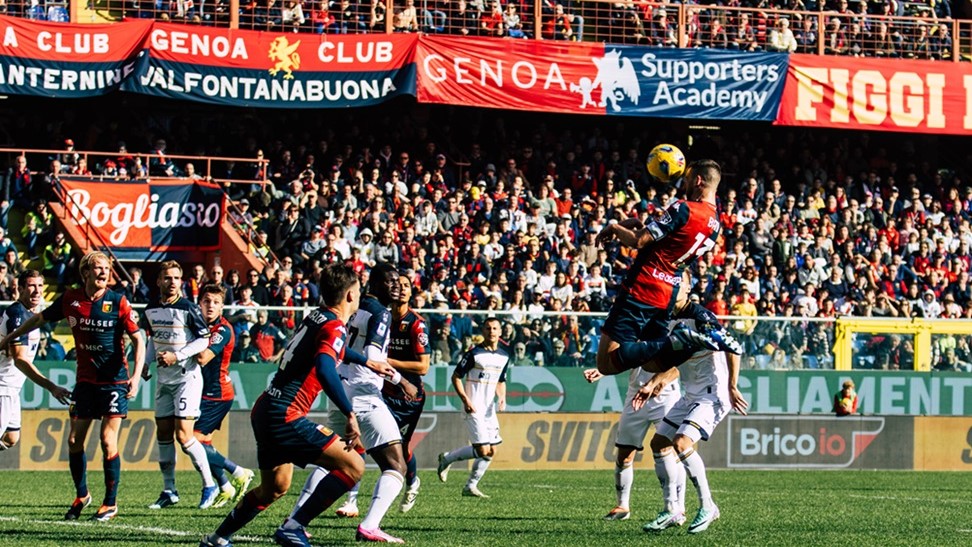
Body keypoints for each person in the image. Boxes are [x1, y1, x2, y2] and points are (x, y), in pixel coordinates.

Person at [199, 263, 393, 547]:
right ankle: (294, 526)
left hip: (266, 408)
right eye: (358, 291)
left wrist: (367, 361)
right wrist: (349, 413)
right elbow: (325, 367)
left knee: (274, 487)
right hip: (285, 414)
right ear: (351, 295)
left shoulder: (316, 316)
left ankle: (217, 538)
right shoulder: (334, 326)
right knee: (354, 464)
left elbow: (333, 349)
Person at [0, 252, 145, 522]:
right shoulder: (71, 299)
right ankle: (82, 495)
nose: (103, 273)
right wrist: (12, 336)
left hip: (114, 381)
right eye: (97, 268)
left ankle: (110, 503)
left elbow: (138, 339)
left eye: (106, 268)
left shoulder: (118, 302)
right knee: (74, 441)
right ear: (85, 273)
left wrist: (135, 376)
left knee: (107, 440)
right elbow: (39, 319)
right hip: (85, 382)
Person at [288, 263, 419, 543]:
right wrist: (401, 380)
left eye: (398, 282)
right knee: (396, 465)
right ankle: (370, 525)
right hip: (363, 392)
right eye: (390, 282)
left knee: (333, 459)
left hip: (340, 388)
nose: (396, 287)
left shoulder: (350, 307)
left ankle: (294, 519)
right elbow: (373, 355)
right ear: (375, 284)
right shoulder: (380, 312)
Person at [595, 160, 738, 376]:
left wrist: (614, 228)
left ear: (698, 180)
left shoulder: (684, 208)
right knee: (652, 363)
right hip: (668, 294)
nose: (685, 185)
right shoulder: (716, 225)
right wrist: (640, 225)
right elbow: (672, 246)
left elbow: (639, 241)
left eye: (687, 180)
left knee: (605, 364)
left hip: (642, 287)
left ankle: (678, 339)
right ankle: (688, 343)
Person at [638, 320, 749, 535]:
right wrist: (654, 382)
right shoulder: (667, 324)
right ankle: (672, 510)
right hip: (690, 396)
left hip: (713, 395)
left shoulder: (702, 320)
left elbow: (733, 347)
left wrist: (732, 386)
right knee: (658, 443)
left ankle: (708, 505)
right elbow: (673, 364)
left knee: (681, 443)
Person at [142, 260, 218, 510]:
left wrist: (178, 355)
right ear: (159, 281)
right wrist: (146, 362)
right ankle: (169, 490)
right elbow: (153, 339)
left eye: (176, 278)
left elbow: (204, 340)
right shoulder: (151, 308)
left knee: (184, 436)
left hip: (187, 378)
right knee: (163, 434)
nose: (172, 282)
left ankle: (209, 485)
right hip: (164, 379)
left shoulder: (188, 308)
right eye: (167, 278)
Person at [583, 365, 680, 522]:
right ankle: (622, 506)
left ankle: (677, 507)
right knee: (624, 454)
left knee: (668, 451)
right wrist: (603, 370)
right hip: (636, 394)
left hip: (665, 396)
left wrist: (661, 382)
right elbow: (626, 358)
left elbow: (679, 364)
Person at [193, 283, 255, 509]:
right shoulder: (200, 325)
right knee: (203, 443)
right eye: (206, 301)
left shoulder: (222, 330)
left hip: (217, 394)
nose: (211, 306)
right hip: (204, 391)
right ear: (200, 304)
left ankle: (238, 472)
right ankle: (225, 486)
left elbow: (203, 358)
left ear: (222, 307)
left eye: (216, 302)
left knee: (192, 440)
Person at [436, 317, 510, 498]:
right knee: (483, 450)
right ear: (483, 331)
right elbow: (456, 377)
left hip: (489, 410)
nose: (491, 332)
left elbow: (501, 381)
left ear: (500, 332)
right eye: (488, 328)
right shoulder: (474, 354)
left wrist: (502, 397)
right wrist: (465, 399)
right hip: (473, 407)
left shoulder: (504, 356)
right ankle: (447, 458)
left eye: (495, 328)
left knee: (492, 451)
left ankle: (470, 486)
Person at [0, 271, 72, 452]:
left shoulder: (30, 314)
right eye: (31, 286)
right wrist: (51, 387)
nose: (37, 291)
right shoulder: (18, 314)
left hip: (12, 388)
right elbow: (20, 360)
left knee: (11, 437)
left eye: (40, 286)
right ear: (20, 288)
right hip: (3, 387)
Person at [382, 275, 430, 513]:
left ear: (411, 293)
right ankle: (351, 497)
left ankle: (412, 483)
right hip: (382, 392)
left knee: (401, 448)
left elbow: (423, 367)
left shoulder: (416, 324)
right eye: (396, 284)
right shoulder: (382, 318)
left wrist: (388, 361)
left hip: (407, 398)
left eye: (405, 286)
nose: (400, 289)